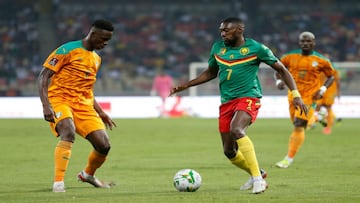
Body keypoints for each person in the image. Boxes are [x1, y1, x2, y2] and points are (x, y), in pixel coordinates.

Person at [169, 17, 307, 194]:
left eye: (226, 30)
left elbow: (282, 69)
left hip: (249, 97)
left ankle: (258, 180)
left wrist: (295, 94)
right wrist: (186, 85)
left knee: (237, 129)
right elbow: (211, 72)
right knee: (229, 151)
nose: (222, 33)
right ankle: (257, 173)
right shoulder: (217, 48)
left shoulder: (257, 48)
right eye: (221, 30)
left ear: (239, 30)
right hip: (227, 101)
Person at [38, 19, 117, 192]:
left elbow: (87, 90)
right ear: (93, 34)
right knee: (68, 131)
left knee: (104, 145)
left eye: (107, 41)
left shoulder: (96, 59)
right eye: (103, 39)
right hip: (59, 99)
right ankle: (58, 183)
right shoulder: (67, 50)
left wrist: (101, 112)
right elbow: (43, 76)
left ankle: (87, 175)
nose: (104, 44)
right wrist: (46, 105)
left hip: (83, 105)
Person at [274, 31, 335, 168]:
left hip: (309, 97)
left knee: (299, 124)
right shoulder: (289, 57)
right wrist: (278, 82)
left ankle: (288, 159)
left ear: (314, 43)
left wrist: (323, 89)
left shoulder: (321, 60)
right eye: (303, 41)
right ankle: (317, 117)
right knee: (301, 124)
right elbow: (277, 69)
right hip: (293, 95)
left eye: (309, 41)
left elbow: (330, 76)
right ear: (299, 42)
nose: (306, 44)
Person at [308, 57, 341, 135]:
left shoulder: (334, 69)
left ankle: (327, 128)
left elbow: (337, 81)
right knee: (316, 107)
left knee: (328, 108)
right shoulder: (319, 68)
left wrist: (338, 92)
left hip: (331, 91)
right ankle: (312, 122)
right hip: (320, 90)